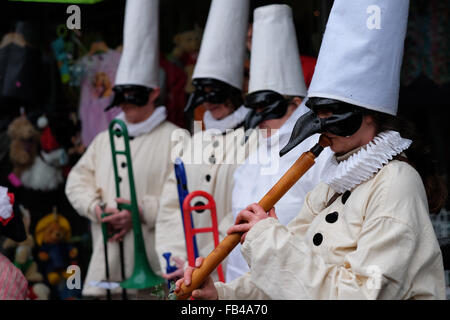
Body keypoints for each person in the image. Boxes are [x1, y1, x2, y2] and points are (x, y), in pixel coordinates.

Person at [176, 0, 447, 299]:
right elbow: (292, 279)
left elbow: (363, 294)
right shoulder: (332, 184)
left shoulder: (395, 182)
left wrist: (268, 237)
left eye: (332, 113)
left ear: (368, 114)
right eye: (317, 112)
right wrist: (223, 296)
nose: (320, 126)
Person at [65, 0, 179, 298]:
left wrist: (142, 212)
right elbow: (76, 182)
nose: (126, 103)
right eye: (122, 96)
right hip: (107, 269)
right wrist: (97, 209)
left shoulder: (178, 138)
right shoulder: (105, 139)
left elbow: (183, 194)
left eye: (134, 96)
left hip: (156, 267)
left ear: (154, 93)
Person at [226, 4, 332, 282]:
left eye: (268, 109)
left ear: (296, 103)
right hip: (242, 285)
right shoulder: (251, 156)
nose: (259, 120)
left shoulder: (319, 154)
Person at [155, 0, 254, 282]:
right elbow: (172, 204)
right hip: (189, 271)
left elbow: (244, 209)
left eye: (218, 95)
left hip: (235, 273)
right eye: (204, 95)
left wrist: (206, 261)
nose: (210, 104)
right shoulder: (191, 142)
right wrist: (175, 257)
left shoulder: (256, 140)